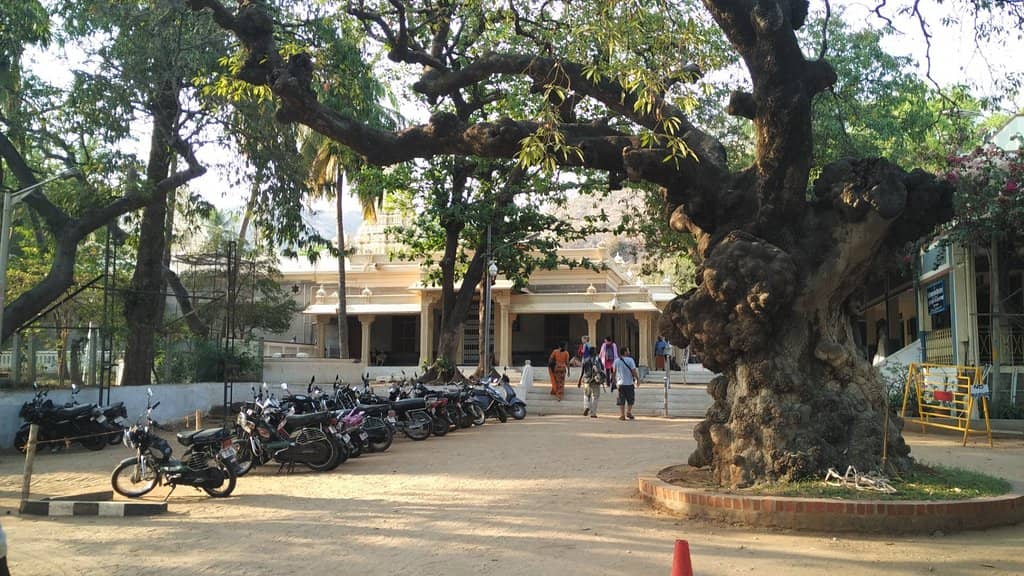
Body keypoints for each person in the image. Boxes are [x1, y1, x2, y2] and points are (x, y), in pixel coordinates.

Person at [577, 348, 605, 417]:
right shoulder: (597, 360)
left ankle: (586, 406)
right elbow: (601, 369)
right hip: (595, 381)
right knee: (595, 397)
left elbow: (582, 371)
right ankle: (593, 413)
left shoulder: (585, 360)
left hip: (587, 380)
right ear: (595, 353)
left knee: (586, 395)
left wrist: (579, 380)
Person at [613, 346, 640, 421]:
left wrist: (614, 381)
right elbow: (633, 370)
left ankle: (622, 415)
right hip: (629, 383)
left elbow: (614, 372)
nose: (629, 352)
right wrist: (637, 379)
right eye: (628, 351)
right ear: (625, 352)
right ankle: (628, 412)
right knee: (630, 399)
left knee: (621, 400)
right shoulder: (630, 360)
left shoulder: (616, 361)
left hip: (620, 383)